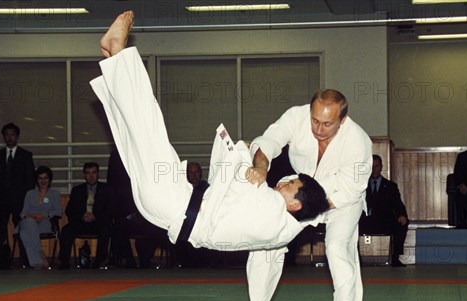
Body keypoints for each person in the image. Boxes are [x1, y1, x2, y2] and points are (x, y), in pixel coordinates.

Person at [90, 12, 329, 258]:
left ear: (295, 204)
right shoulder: (280, 223)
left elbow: (243, 182)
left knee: (146, 124)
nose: (282, 183)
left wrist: (245, 156)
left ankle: (118, 52)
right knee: (134, 134)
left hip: (174, 204)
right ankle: (113, 62)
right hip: (172, 208)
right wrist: (245, 156)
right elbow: (224, 187)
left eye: (290, 185)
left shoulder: (273, 215)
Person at [225, 89, 373, 301]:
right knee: (265, 237)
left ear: (343, 120)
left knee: (338, 247)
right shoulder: (296, 117)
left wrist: (308, 209)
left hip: (340, 199)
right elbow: (269, 140)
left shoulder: (358, 142)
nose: (319, 128)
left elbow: (351, 188)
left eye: (328, 124)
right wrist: (261, 167)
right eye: (315, 120)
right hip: (301, 191)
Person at [107, 146, 166, 269]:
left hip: (148, 211)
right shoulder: (117, 155)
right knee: (118, 227)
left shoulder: (149, 152)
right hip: (125, 212)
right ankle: (129, 261)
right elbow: (112, 186)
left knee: (158, 227)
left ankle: (145, 259)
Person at [58, 162, 113, 269]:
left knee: (106, 229)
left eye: (94, 172)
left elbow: (110, 210)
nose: (91, 176)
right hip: (81, 222)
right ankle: (64, 262)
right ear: (84, 175)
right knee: (66, 230)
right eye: (88, 173)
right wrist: (82, 215)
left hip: (98, 222)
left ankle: (99, 261)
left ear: (98, 174)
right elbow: (69, 210)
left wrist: (95, 215)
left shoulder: (106, 190)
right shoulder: (77, 190)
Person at [359, 154, 408, 267]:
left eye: (376, 166)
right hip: (365, 220)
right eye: (371, 166)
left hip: (384, 221)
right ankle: (356, 259)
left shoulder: (390, 186)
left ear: (381, 167)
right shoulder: (361, 186)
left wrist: (401, 215)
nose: (374, 169)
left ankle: (395, 258)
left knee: (401, 223)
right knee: (351, 226)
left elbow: (398, 204)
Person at [0, 122, 36, 228]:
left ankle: (21, 245)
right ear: (4, 137)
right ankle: (4, 245)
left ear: (17, 136)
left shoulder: (26, 156)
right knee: (0, 228)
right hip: (1, 200)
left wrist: (26, 200)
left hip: (20, 200)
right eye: (7, 135)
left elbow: (30, 180)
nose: (9, 137)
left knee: (21, 227)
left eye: (12, 134)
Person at [18, 165, 62, 269]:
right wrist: (30, 217)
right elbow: (22, 213)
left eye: (45, 178)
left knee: (24, 234)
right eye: (40, 178)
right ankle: (41, 256)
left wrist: (44, 215)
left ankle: (36, 261)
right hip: (28, 222)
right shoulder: (30, 193)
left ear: (50, 179)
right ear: (36, 180)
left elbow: (58, 212)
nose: (43, 181)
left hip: (45, 223)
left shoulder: (55, 194)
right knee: (29, 224)